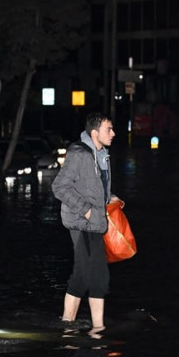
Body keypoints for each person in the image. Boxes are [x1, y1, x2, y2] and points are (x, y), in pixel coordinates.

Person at [52, 112, 117, 333]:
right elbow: (59, 187)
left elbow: (93, 186)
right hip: (80, 223)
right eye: (109, 129)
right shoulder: (79, 153)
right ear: (95, 132)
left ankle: (97, 330)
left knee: (99, 276)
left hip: (97, 223)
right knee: (83, 274)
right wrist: (86, 210)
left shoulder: (102, 155)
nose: (113, 133)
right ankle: (68, 329)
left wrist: (110, 199)